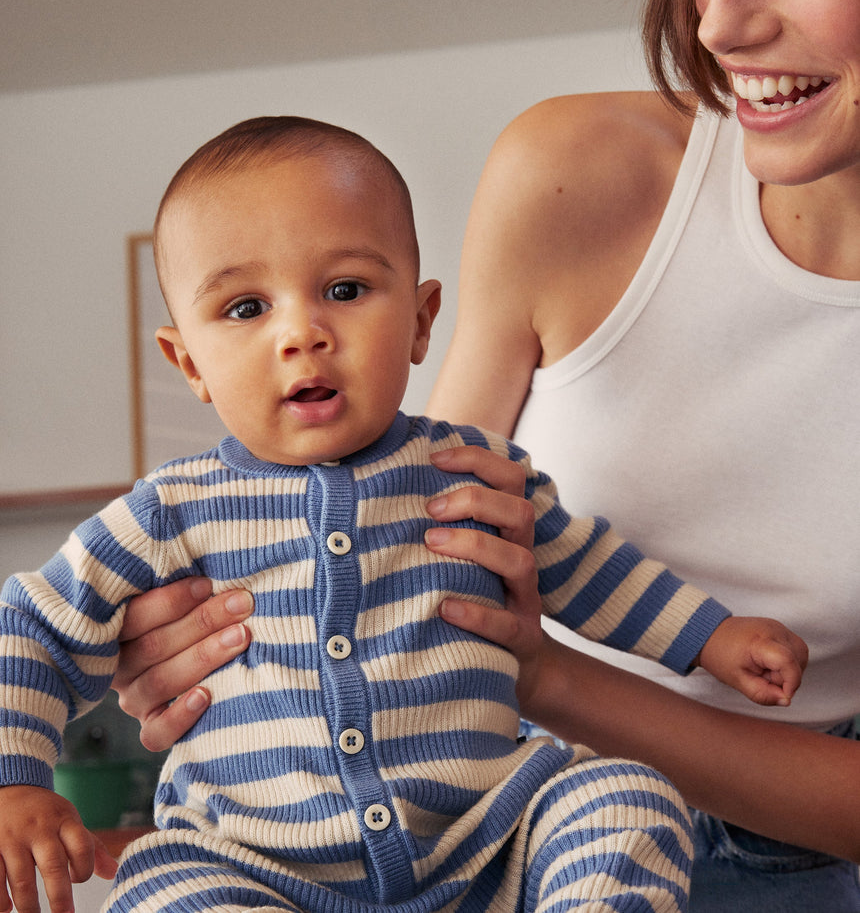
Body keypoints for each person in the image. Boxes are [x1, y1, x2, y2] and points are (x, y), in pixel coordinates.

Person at [109, 0, 860, 910]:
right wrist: (168, 638)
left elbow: (569, 566)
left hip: (766, 847)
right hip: (480, 816)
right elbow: (423, 507)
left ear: (415, 317)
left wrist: (556, 673)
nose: (718, 21)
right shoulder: (572, 171)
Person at [0, 116, 807, 913]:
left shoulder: (472, 470)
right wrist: (16, 779)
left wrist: (711, 637)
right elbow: (32, 628)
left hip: (489, 847)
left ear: (421, 322)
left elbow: (589, 566)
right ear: (189, 363)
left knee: (625, 797)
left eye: (345, 290)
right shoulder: (165, 513)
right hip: (256, 866)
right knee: (156, 885)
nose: (301, 333)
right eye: (246, 309)